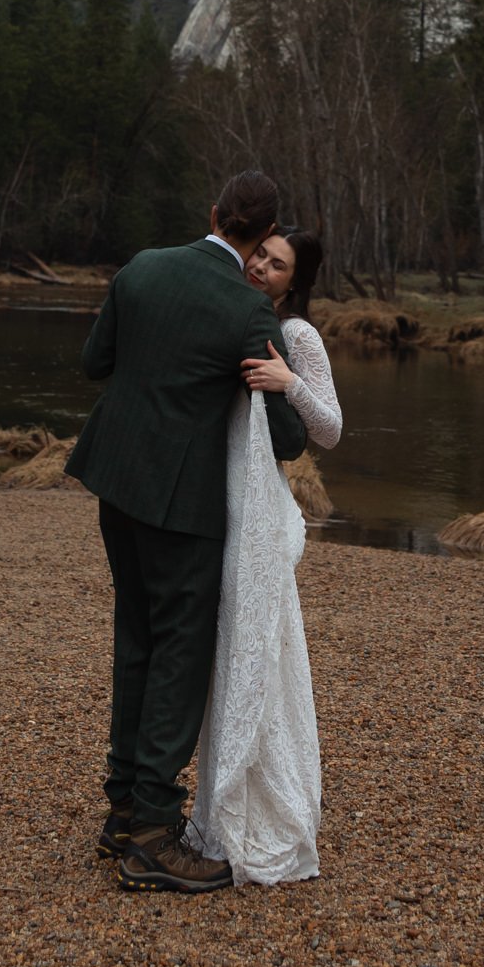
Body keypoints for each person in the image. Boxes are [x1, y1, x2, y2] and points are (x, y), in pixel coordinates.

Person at [67, 170, 309, 896]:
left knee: (135, 634)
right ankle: (149, 833)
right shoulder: (247, 310)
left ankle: (121, 811)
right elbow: (289, 439)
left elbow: (94, 364)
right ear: (263, 232)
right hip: (183, 503)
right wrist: (284, 385)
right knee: (179, 648)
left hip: (116, 478)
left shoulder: (141, 267)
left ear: (211, 214)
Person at [192, 226, 340, 885]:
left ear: (292, 280)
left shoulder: (298, 334)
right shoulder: (226, 306)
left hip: (257, 501)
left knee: (261, 645)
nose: (260, 266)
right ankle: (216, 801)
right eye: (259, 253)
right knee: (220, 648)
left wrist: (287, 382)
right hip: (212, 492)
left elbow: (331, 429)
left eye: (276, 265)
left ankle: (268, 806)